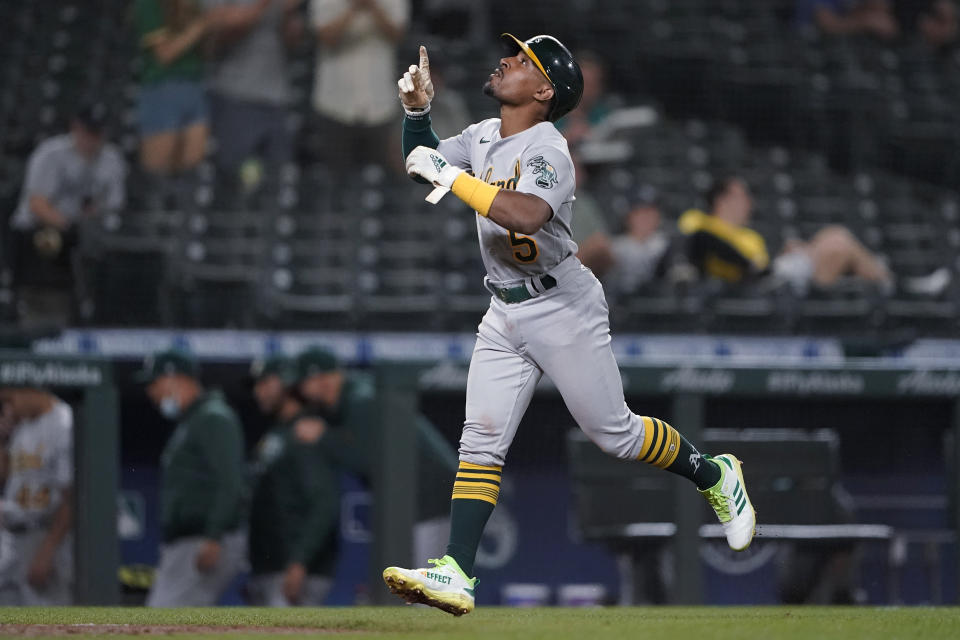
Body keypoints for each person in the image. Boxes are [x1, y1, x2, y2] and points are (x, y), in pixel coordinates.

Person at [384, 35, 756, 616]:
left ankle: (715, 474)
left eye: (523, 61)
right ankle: (456, 572)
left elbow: (526, 217)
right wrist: (416, 114)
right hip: (504, 307)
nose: (506, 60)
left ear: (543, 90)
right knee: (480, 439)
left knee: (617, 436)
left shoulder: (548, 150)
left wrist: (449, 177)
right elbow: (419, 163)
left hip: (563, 305)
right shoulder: (483, 134)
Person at [293, 347, 458, 564]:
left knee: (430, 583)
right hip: (422, 497)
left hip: (434, 496)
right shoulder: (356, 396)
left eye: (304, 383)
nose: (302, 392)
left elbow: (370, 461)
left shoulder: (362, 401)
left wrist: (324, 438)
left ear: (323, 380)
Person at [679, 175, 950, 297]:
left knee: (836, 241)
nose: (749, 202)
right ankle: (905, 290)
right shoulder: (700, 221)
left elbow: (759, 264)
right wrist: (754, 266)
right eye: (741, 195)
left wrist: (779, 257)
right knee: (838, 240)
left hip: (772, 281)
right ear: (721, 200)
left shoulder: (750, 236)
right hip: (745, 290)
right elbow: (701, 242)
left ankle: (894, 289)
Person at [137, 349, 247, 607]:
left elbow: (230, 482)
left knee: (167, 622)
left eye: (155, 383)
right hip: (189, 540)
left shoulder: (213, 417)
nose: (151, 392)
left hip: (204, 538)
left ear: (176, 378)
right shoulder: (194, 420)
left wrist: (213, 536)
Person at [9, 103, 126, 327]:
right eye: (88, 132)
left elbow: (114, 205)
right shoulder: (50, 153)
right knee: (45, 279)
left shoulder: (111, 159)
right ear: (76, 128)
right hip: (39, 234)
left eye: (97, 133)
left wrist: (90, 219)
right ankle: (34, 324)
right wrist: (71, 226)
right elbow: (38, 204)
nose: (92, 139)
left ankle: (90, 321)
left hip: (79, 236)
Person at [246, 356, 340, 606]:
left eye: (265, 382)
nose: (258, 391)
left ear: (288, 384)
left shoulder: (305, 434)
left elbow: (323, 503)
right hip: (271, 564)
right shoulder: (278, 433)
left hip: (294, 568)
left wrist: (299, 563)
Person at [202, 0, 302, 199]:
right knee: (237, 181)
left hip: (276, 97)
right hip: (235, 95)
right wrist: (263, 4)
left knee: (276, 183)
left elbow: (293, 42)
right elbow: (221, 37)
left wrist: (289, 13)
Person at [309, 0, 410, 170]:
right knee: (333, 185)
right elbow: (325, 37)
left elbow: (398, 34)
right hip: (334, 105)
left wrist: (372, 5)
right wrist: (354, 7)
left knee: (382, 183)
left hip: (381, 106)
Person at [0, 386, 73, 605]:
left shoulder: (62, 423)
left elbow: (72, 496)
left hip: (45, 535)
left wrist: (47, 550)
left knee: (49, 624)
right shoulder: (22, 425)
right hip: (13, 537)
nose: (7, 407)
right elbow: (5, 475)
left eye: (9, 399)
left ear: (29, 389)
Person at [133, 0, 210, 204]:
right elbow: (164, 54)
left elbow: (208, 49)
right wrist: (201, 25)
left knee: (191, 174)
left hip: (194, 85)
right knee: (157, 178)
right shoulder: (149, 4)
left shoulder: (195, 5)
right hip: (162, 88)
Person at [605, 192, 671, 297]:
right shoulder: (614, 246)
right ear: (628, 217)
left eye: (651, 212)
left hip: (657, 299)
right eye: (640, 212)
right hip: (620, 301)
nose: (646, 218)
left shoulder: (667, 244)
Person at [794, 0, 900, 39]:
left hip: (843, 52)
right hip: (804, 48)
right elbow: (827, 24)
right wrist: (865, 21)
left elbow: (887, 23)